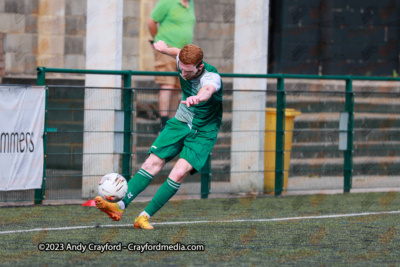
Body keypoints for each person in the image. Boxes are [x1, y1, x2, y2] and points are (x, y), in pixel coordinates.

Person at [95, 40, 223, 230]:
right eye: (182, 69)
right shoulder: (183, 60)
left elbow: (208, 89)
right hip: (180, 122)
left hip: (203, 131)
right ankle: (119, 206)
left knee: (179, 172)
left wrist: (199, 97)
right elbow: (177, 52)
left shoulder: (211, 77)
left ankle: (144, 217)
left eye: (188, 71)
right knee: (151, 163)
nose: (184, 73)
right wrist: (163, 49)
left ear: (200, 66)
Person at [147, 0, 196, 131]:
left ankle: (171, 122)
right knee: (167, 83)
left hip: (182, 52)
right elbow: (151, 21)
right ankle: (163, 121)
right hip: (166, 48)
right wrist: (156, 40)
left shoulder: (190, 4)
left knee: (176, 87)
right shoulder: (167, 2)